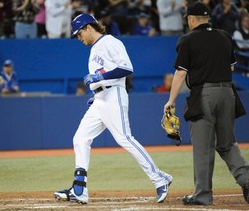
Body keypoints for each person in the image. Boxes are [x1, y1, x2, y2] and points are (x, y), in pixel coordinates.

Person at [54, 13, 173, 204]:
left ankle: (160, 179)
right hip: (101, 98)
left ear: (89, 28)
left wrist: (100, 80)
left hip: (113, 95)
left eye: (79, 33)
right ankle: (79, 189)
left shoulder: (110, 41)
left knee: (125, 139)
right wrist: (96, 94)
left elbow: (127, 68)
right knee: (81, 138)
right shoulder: (94, 49)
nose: (78, 37)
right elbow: (103, 74)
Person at [163, 2, 249, 206]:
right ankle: (248, 179)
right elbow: (230, 69)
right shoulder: (225, 36)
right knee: (227, 143)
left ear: (191, 19)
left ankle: (202, 195)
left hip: (204, 94)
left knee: (203, 147)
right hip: (228, 93)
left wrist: (171, 100)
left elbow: (180, 73)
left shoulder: (187, 40)